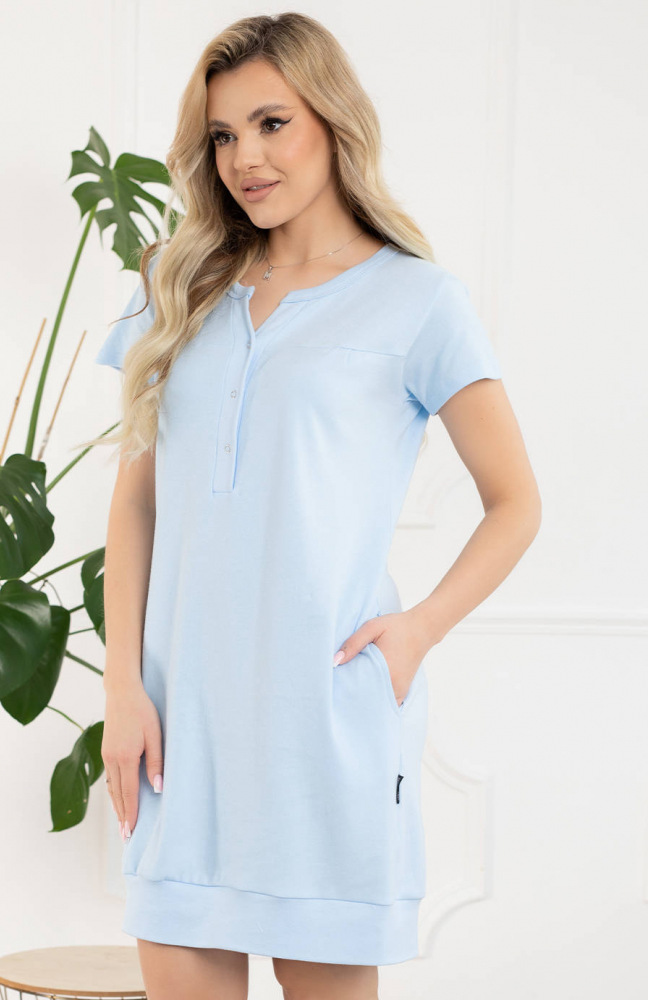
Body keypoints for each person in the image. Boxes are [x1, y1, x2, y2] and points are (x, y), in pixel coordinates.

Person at [93, 12, 541, 1000]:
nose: (244, 158)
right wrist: (123, 686)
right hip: (179, 735)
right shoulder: (175, 284)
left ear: (333, 120)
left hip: (323, 726)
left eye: (272, 124)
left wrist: (419, 629)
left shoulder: (418, 301)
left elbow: (515, 502)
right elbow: (136, 500)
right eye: (223, 135)